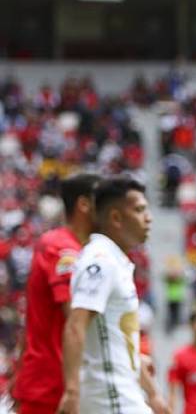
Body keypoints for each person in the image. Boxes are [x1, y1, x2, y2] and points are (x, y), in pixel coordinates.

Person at [57, 176, 169, 414]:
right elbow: (75, 325)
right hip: (111, 400)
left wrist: (154, 394)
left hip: (123, 396)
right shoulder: (101, 261)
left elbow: (121, 342)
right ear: (116, 218)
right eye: (139, 210)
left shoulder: (115, 261)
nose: (148, 218)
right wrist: (72, 392)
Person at [11, 173, 100, 414]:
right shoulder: (62, 249)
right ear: (84, 205)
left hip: (55, 384)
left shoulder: (76, 248)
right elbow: (77, 320)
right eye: (104, 200)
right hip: (52, 388)